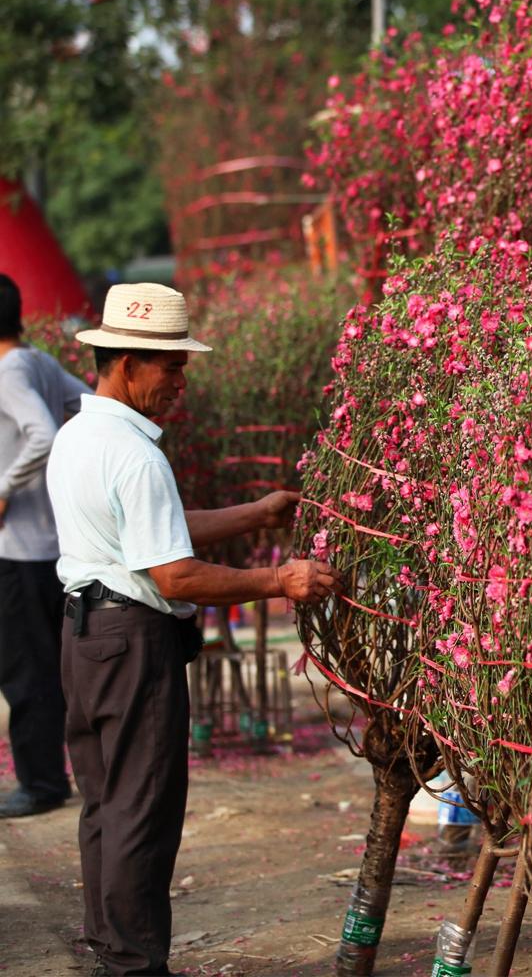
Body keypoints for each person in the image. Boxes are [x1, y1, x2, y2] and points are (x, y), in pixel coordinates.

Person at [47, 282, 344, 977]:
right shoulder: (136, 454)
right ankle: (135, 964)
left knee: (106, 802)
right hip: (131, 642)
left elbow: (150, 534)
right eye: (172, 367)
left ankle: (112, 948)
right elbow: (174, 574)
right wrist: (280, 579)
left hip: (86, 638)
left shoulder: (81, 434)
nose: (181, 382)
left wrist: (254, 514)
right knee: (141, 809)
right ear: (128, 364)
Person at [0, 272, 92, 818]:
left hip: (18, 550)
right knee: (51, 666)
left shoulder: (7, 371)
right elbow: (90, 402)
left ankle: (40, 783)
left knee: (26, 669)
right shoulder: (35, 361)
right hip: (51, 545)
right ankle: (56, 776)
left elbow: (43, 432)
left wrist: (5, 487)